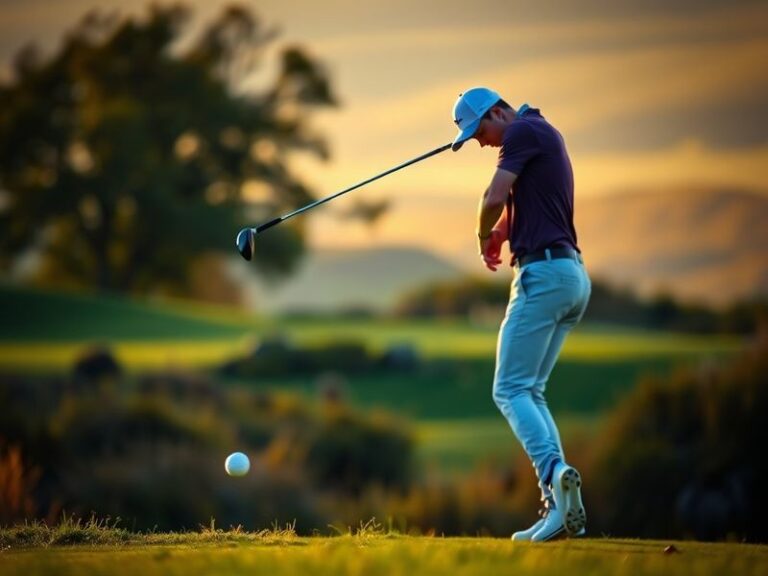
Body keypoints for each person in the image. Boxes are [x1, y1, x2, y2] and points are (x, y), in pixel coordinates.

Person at [451, 87, 591, 541]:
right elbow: (525, 205)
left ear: (496, 112)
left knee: (508, 389)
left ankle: (553, 475)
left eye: (480, 132)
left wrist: (480, 234)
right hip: (569, 275)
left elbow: (494, 195)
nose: (482, 143)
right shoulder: (542, 132)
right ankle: (558, 505)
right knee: (531, 390)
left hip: (544, 276)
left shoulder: (521, 132)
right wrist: (501, 233)